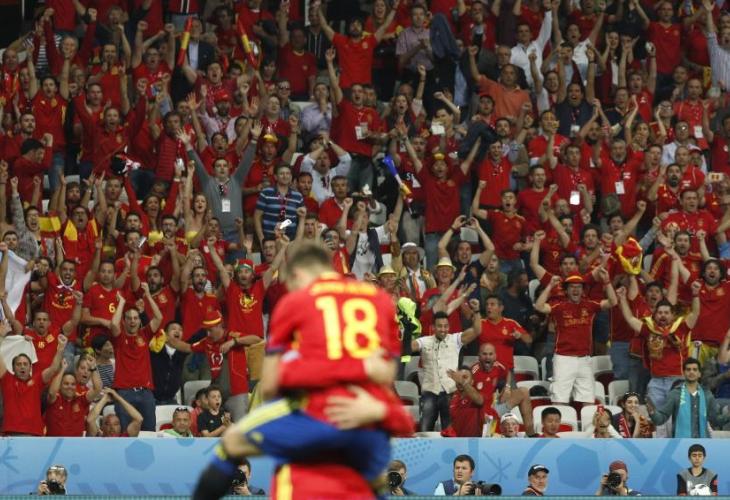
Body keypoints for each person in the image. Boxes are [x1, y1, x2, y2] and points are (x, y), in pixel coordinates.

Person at [192, 244, 411, 500]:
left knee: (231, 444)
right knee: (369, 479)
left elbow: (270, 384)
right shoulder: (378, 300)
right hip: (367, 415)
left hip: (313, 411)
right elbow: (387, 372)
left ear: (297, 274)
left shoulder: (295, 302)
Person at [535, 272, 617, 404]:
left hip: (585, 359)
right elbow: (539, 306)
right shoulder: (559, 307)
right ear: (566, 290)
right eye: (572, 287)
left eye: (578, 287)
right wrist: (550, 286)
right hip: (564, 359)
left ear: (582, 290)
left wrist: (607, 281)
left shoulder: (590, 305)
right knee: (559, 400)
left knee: (588, 401)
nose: (575, 290)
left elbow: (613, 302)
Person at [411, 301, 482, 431]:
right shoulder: (424, 341)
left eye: (445, 326)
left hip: (450, 392)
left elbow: (477, 330)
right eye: (439, 326)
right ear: (433, 327)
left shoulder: (456, 340)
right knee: (425, 431)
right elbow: (409, 347)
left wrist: (476, 311)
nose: (443, 329)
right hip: (429, 392)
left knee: (450, 431)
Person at [648, 358, 730, 438]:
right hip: (680, 443)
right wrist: (652, 412)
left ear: (699, 374)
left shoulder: (707, 395)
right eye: (688, 369)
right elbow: (661, 419)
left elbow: (716, 420)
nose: (691, 372)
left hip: (703, 443)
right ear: (683, 373)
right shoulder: (675, 394)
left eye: (695, 369)